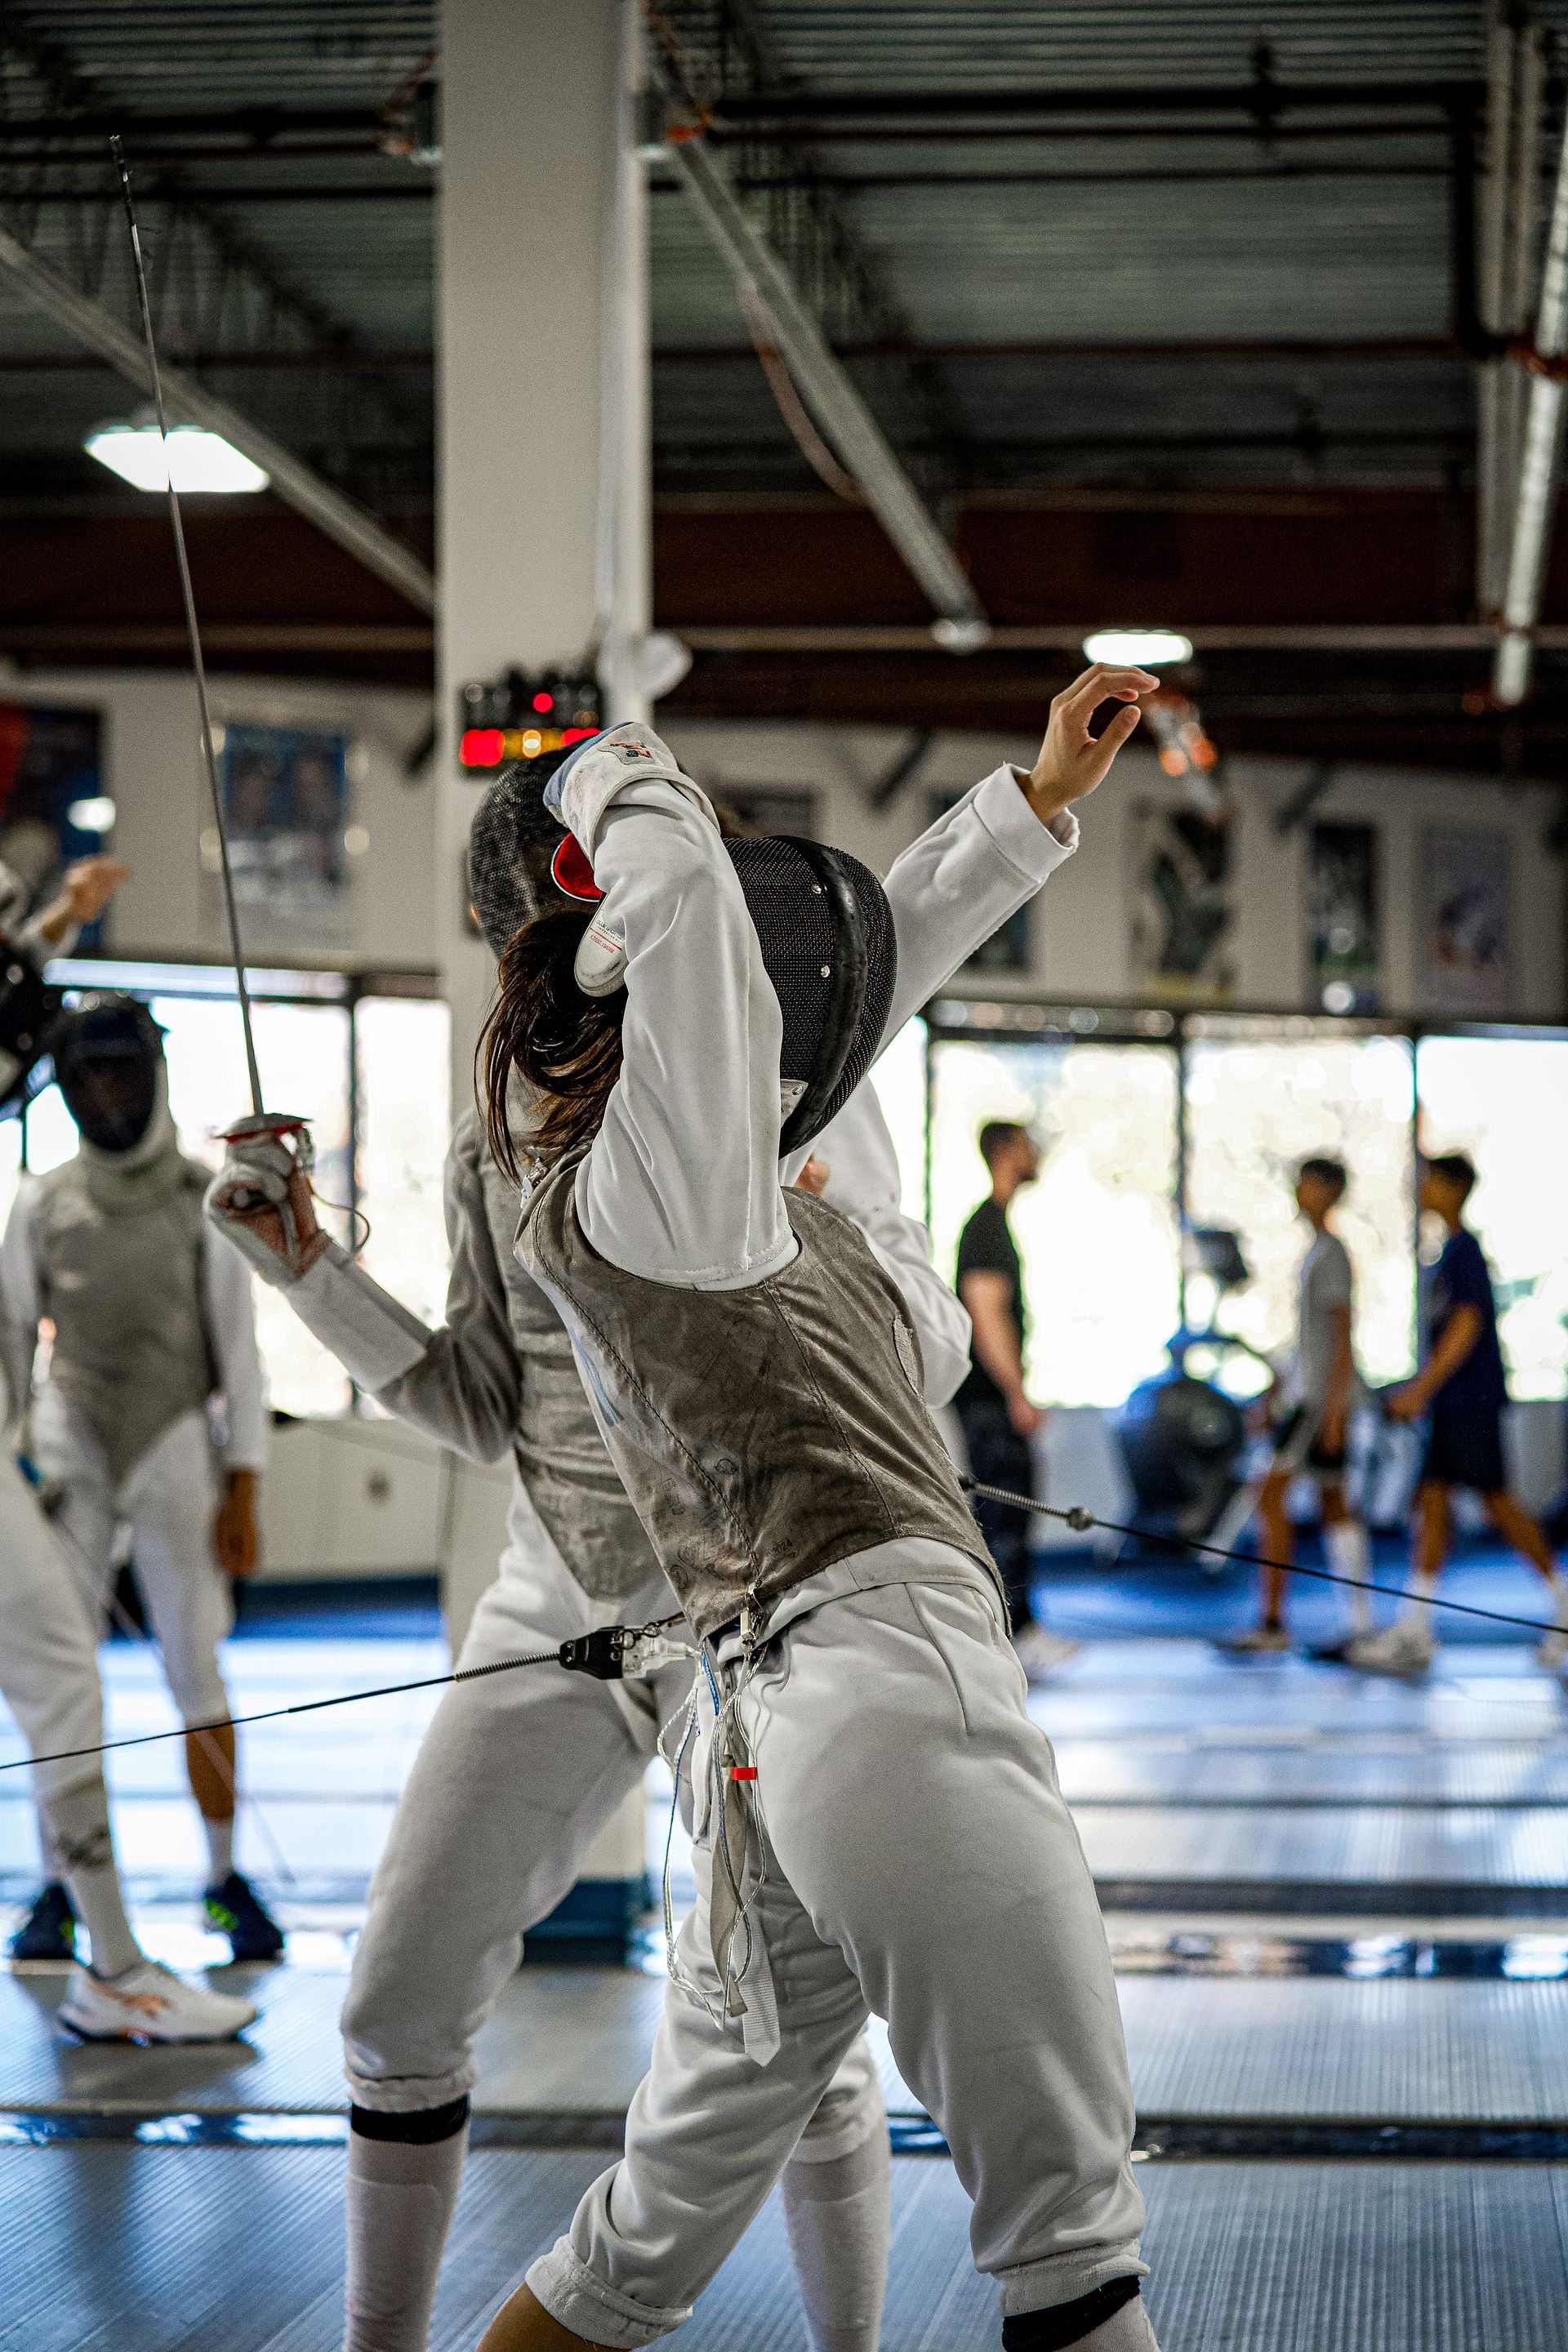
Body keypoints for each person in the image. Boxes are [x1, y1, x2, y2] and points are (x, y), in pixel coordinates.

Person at [205, 760, 973, 2352]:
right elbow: (481, 1405)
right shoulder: (492, 1150)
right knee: (394, 2008)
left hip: (752, 1626)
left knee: (797, 2034)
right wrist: (308, 1275)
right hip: (552, 1618)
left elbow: (910, 1336)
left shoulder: (766, 1111)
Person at [431, 673, 1154, 2350]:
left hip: (777, 1760)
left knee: (633, 2255)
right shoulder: (666, 1187)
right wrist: (591, 771)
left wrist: (1030, 810)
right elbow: (687, 906)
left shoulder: (706, 1167)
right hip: (898, 1708)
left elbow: (851, 964)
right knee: (1076, 2248)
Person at [0, 862, 255, 2040]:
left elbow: (238, 1351)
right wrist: (23, 1456)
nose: (103, 1091)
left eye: (120, 1071)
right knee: (62, 1680)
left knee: (177, 1671)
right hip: (65, 1450)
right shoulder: (43, 1202)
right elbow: (12, 1341)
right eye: (85, 1073)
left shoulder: (200, 1197)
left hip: (172, 1452)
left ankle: (213, 1874)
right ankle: (76, 1914)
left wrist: (243, 1477)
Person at [1347, 1153, 1568, 1676]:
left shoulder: (1465, 1251)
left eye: (1429, 1182)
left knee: (1498, 1504)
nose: (1421, 1190)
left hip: (1468, 1403)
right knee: (1433, 1505)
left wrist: (1420, 1390)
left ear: (1452, 1188)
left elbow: (1465, 1328)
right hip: (1451, 1405)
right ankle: (1415, 1628)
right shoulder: (1446, 1252)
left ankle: (1563, 1605)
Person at [1223, 1157, 1374, 1657]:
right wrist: (1275, 1393)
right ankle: (1354, 1621)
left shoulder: (1332, 1254)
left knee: (1272, 1496)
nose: (1299, 1191)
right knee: (1331, 1504)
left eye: (1309, 1183)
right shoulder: (1315, 1253)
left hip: (1316, 1407)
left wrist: (1334, 1411)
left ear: (1330, 1190)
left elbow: (1343, 1337)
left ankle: (1274, 1622)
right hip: (1304, 1399)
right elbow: (1310, 1344)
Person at [953, 1122, 1076, 1681]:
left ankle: (1018, 1630)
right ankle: (1012, 1637)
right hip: (988, 1402)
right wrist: (1016, 1393)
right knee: (1006, 1514)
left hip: (991, 1399)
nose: (1035, 1154)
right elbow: (987, 1313)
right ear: (1006, 1152)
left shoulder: (994, 1224)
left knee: (1013, 1513)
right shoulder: (985, 1227)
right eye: (1026, 1144)